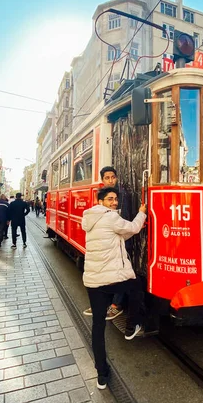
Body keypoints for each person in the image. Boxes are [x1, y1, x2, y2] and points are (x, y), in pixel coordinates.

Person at [83, 187, 147, 389]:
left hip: (93, 282)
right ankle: (131, 327)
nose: (114, 202)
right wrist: (142, 213)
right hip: (110, 278)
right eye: (110, 199)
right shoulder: (111, 217)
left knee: (98, 327)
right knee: (137, 286)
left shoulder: (91, 218)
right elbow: (133, 228)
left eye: (116, 199)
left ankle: (101, 375)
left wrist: (131, 228)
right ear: (101, 201)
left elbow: (115, 237)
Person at [83, 166, 126, 320]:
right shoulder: (101, 195)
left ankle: (115, 305)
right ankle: (101, 305)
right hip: (106, 240)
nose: (110, 180)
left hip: (120, 237)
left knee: (121, 272)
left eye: (112, 177)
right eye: (106, 177)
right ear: (102, 180)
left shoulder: (123, 194)